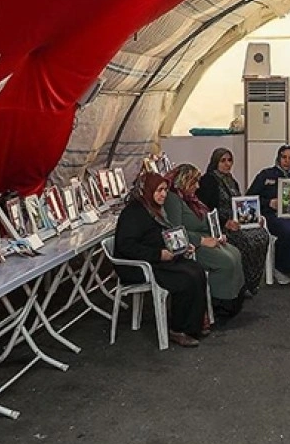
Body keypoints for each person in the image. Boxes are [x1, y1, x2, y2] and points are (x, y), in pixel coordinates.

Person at [114, 173, 210, 348]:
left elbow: (161, 236)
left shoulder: (153, 209)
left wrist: (181, 247)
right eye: (159, 190)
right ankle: (178, 329)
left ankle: (193, 325)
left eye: (165, 190)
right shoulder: (134, 213)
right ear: (148, 190)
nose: (164, 194)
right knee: (185, 278)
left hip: (157, 259)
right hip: (138, 265)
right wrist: (158, 254)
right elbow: (126, 246)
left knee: (196, 270)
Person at [165, 164, 246, 322]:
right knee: (226, 261)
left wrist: (218, 235)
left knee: (235, 253)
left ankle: (233, 300)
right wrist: (201, 241)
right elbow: (175, 232)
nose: (197, 186)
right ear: (184, 182)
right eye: (194, 182)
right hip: (192, 244)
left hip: (206, 238)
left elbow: (206, 220)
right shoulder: (173, 200)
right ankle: (219, 304)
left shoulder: (191, 200)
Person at [198, 148, 271, 293]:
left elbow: (240, 204)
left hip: (237, 221)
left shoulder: (231, 180)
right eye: (223, 161)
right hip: (222, 225)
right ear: (215, 162)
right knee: (247, 241)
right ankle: (243, 283)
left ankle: (252, 281)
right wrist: (225, 222)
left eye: (230, 160)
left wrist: (254, 218)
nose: (227, 164)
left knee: (262, 234)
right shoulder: (209, 181)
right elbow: (206, 208)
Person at [248, 145, 290, 283]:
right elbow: (250, 198)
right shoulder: (266, 175)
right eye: (284, 157)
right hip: (272, 215)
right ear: (278, 158)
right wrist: (269, 202)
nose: (287, 161)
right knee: (288, 231)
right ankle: (281, 269)